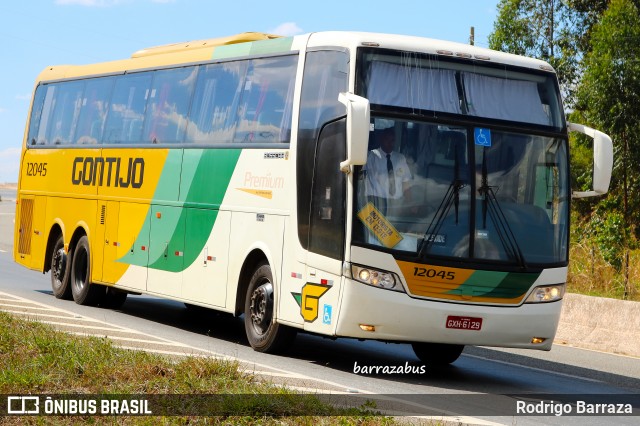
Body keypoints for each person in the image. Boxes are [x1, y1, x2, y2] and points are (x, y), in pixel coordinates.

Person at [363, 126, 412, 214]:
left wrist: (410, 203)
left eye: (392, 140)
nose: (390, 143)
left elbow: (406, 183)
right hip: (377, 202)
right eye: (387, 140)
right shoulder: (371, 156)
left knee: (395, 227)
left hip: (396, 202)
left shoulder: (400, 158)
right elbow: (358, 174)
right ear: (381, 140)